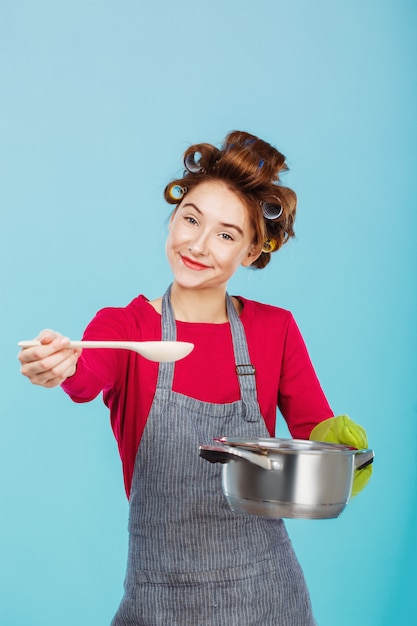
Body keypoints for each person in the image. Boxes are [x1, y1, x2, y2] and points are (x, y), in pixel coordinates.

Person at [19, 130, 372, 625]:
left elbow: (315, 429)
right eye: (191, 219)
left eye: (226, 235)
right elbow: (85, 375)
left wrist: (344, 452)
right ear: (173, 217)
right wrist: (59, 364)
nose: (198, 245)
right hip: (160, 597)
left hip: (268, 595)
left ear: (250, 252)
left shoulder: (274, 329)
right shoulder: (126, 328)